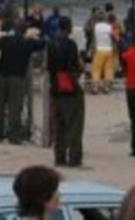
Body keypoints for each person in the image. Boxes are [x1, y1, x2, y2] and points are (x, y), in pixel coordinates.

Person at [0, 19, 46, 144]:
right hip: (17, 78)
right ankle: (13, 136)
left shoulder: (5, 40)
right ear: (25, 31)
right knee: (15, 108)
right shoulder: (28, 43)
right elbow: (43, 43)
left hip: (1, 75)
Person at [47, 16, 85, 167]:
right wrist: (79, 69)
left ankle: (60, 156)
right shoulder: (70, 44)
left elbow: (49, 66)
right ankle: (74, 157)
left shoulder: (51, 44)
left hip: (55, 87)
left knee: (59, 125)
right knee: (74, 125)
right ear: (68, 27)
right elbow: (73, 67)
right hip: (69, 87)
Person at [91, 11, 115, 94]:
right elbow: (113, 37)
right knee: (108, 69)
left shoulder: (96, 26)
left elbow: (94, 38)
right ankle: (106, 87)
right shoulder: (109, 27)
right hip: (109, 49)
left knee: (96, 69)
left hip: (99, 49)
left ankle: (95, 87)